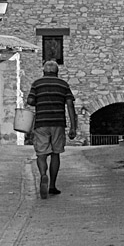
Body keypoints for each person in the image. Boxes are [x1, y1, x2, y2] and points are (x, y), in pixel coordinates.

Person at [26, 60, 77, 199]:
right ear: (57, 72)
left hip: (41, 123)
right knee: (56, 154)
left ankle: (43, 175)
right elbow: (70, 105)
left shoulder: (37, 84)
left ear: (43, 71)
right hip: (58, 123)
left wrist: (39, 100)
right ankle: (52, 185)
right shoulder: (63, 85)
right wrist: (73, 126)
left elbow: (30, 101)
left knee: (41, 154)